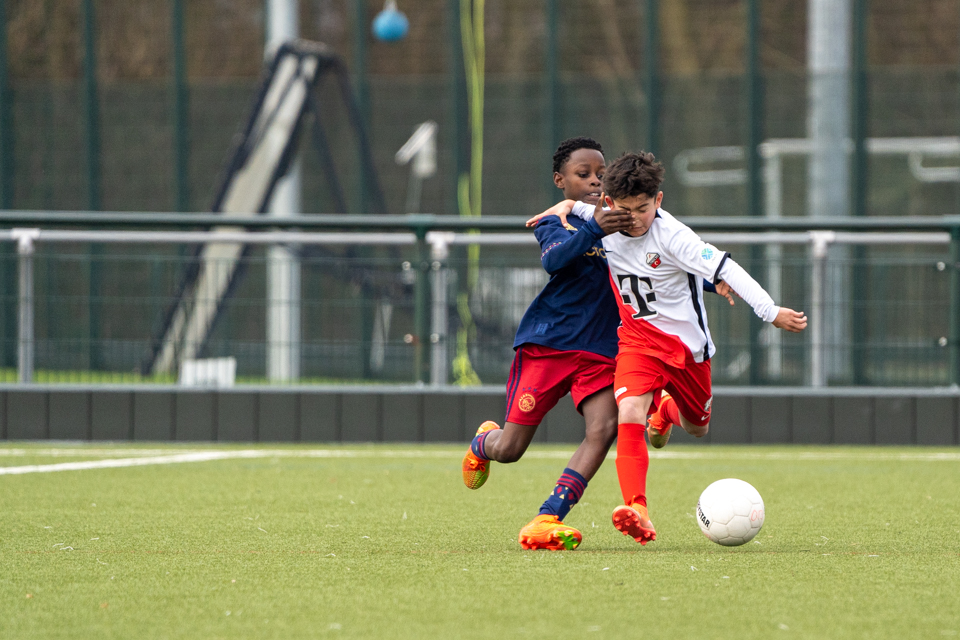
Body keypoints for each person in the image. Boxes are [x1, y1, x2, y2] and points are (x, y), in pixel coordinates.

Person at [460, 138, 734, 551]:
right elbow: (554, 260)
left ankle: (546, 517)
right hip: (549, 345)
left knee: (604, 429)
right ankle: (484, 442)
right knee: (511, 449)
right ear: (560, 181)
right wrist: (591, 226)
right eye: (582, 174)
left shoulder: (631, 226)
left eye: (599, 174)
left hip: (605, 352)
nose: (593, 181)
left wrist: (715, 280)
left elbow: (667, 271)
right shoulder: (559, 222)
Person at [536, 151, 806, 545]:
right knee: (628, 410)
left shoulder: (675, 237)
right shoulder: (604, 222)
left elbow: (728, 269)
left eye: (643, 209)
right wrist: (566, 205)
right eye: (625, 209)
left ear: (658, 201)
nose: (634, 218)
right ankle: (637, 508)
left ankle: (664, 411)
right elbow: (577, 210)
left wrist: (771, 312)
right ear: (610, 203)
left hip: (687, 352)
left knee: (698, 426)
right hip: (637, 343)